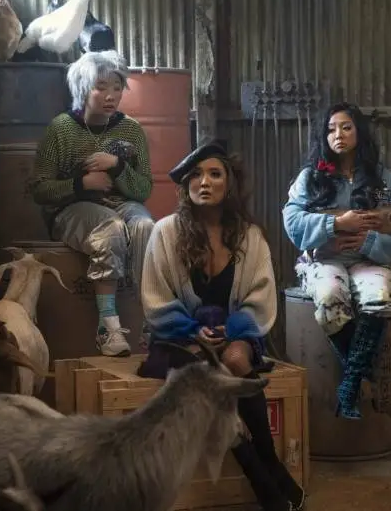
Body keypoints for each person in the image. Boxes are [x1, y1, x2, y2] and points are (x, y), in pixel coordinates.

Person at [136, 139, 305, 511]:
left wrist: (236, 329)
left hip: (233, 332)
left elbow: (261, 295)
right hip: (179, 336)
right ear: (186, 186)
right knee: (209, 376)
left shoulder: (250, 236)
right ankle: (263, 479)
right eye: (196, 175)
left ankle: (269, 460)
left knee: (236, 360)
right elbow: (155, 297)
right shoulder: (165, 232)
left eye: (214, 174)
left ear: (229, 183)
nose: (204, 182)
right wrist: (190, 329)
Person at [281, 102, 391, 420]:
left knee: (380, 297)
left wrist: (369, 241)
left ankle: (350, 384)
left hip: (367, 259)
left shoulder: (380, 178)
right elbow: (292, 222)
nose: (338, 134)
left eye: (346, 127)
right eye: (330, 129)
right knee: (329, 296)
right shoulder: (311, 177)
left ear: (359, 132)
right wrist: (337, 223)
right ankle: (362, 375)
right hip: (324, 260)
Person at [31, 50, 155, 358]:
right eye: (101, 87)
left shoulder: (132, 130)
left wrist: (117, 166)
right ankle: (107, 327)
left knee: (146, 226)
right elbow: (39, 190)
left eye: (117, 87)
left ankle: (150, 321)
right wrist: (81, 184)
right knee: (110, 228)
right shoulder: (61, 129)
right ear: (83, 88)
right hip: (72, 210)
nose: (111, 95)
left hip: (122, 205)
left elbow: (143, 189)